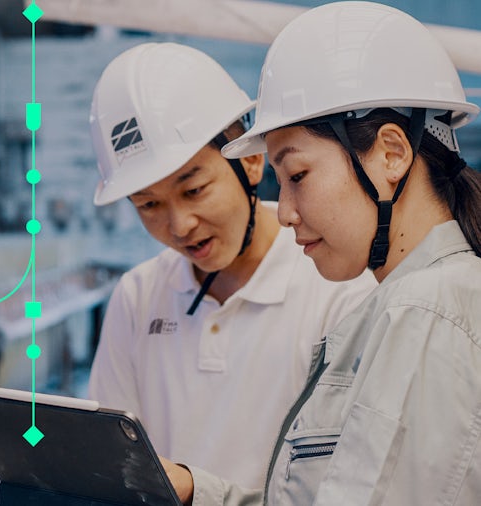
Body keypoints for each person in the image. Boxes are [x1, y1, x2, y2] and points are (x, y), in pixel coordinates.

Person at [162, 2, 481, 504]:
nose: (284, 211)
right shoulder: (407, 306)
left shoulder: (425, 311)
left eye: (298, 176)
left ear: (391, 153)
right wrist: (191, 491)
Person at [86, 43, 375, 490]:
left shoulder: (337, 286)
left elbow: (351, 480)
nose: (179, 225)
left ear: (252, 160)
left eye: (195, 190)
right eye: (148, 204)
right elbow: (110, 463)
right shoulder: (138, 295)